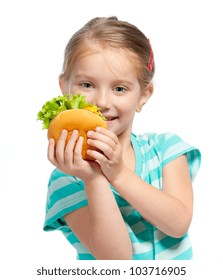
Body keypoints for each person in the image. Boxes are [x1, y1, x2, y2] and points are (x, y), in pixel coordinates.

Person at [43, 16, 201, 260]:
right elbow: (117, 262)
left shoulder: (165, 149)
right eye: (87, 85)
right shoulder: (66, 179)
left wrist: (117, 174)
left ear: (143, 95)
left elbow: (178, 224)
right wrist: (94, 179)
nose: (103, 102)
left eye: (119, 89)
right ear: (65, 87)